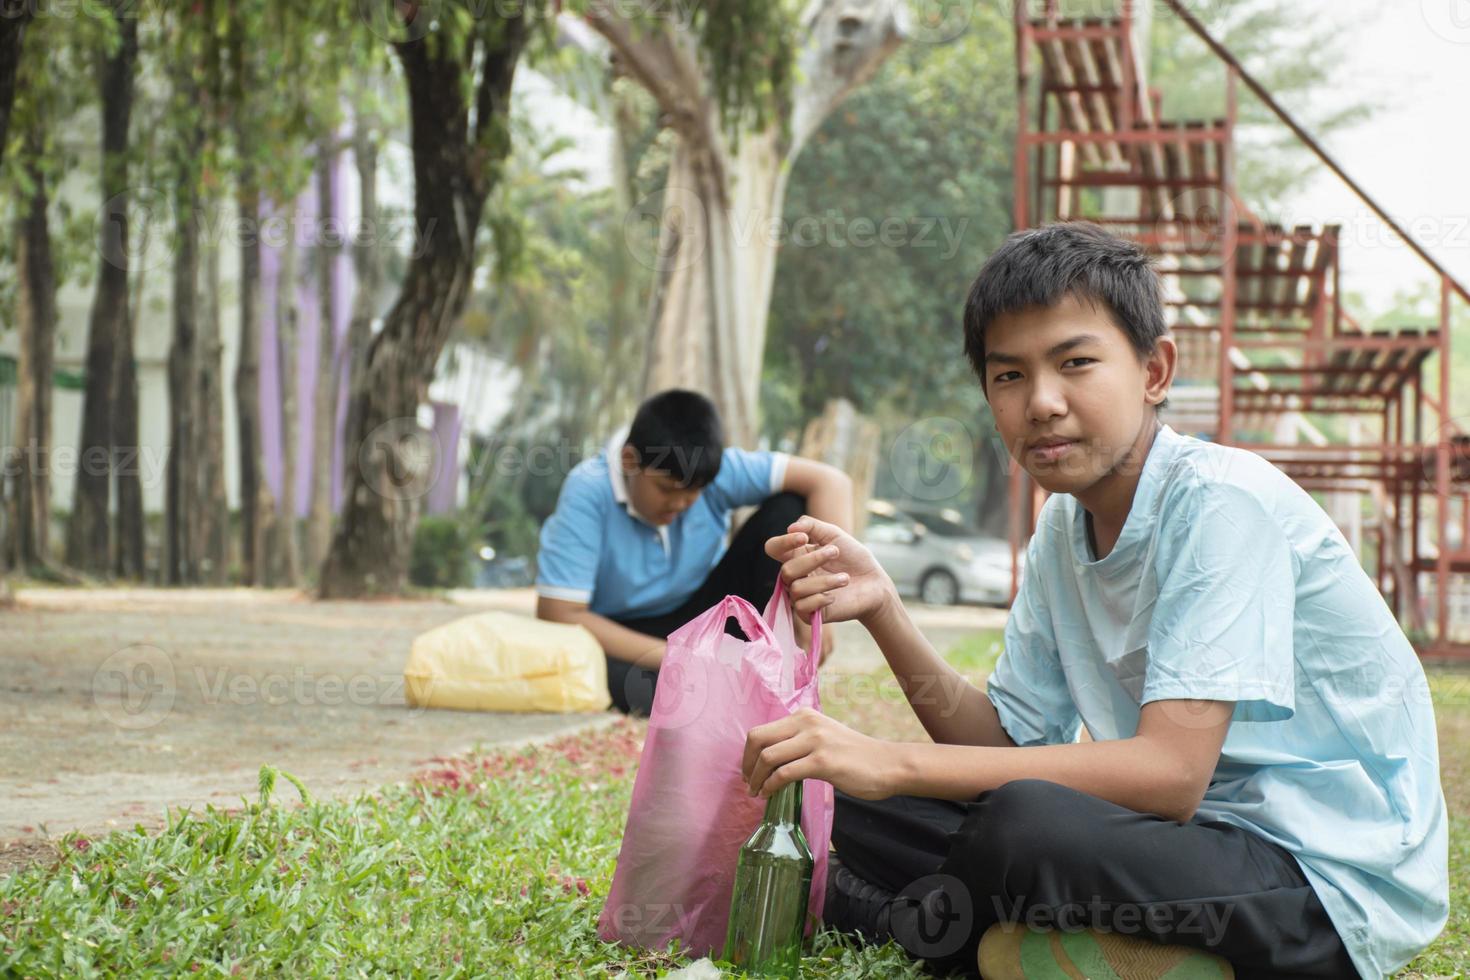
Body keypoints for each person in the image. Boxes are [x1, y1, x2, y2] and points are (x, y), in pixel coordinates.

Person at [740, 223, 1449, 979]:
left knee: (1023, 821)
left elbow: (1170, 778)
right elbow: (1005, 749)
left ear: (1154, 370)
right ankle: (1019, 939)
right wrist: (884, 608)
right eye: (1008, 376)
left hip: (1322, 875)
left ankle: (914, 923)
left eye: (1075, 362)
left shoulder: (1221, 505)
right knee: (844, 788)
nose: (1042, 402)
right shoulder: (1062, 529)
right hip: (1178, 846)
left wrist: (897, 760)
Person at [535, 389, 854, 715]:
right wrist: (684, 658)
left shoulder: (711, 469)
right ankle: (732, 682)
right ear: (629, 460)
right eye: (666, 489)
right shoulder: (588, 489)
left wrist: (820, 609)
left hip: (702, 616)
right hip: (623, 634)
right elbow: (559, 613)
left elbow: (831, 483)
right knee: (647, 690)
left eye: (693, 494)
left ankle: (770, 669)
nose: (679, 504)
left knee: (788, 510)